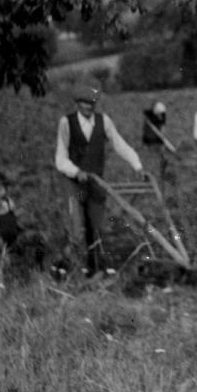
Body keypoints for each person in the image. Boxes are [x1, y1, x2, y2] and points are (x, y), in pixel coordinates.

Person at [55, 81, 144, 278]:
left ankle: (94, 268)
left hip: (95, 182)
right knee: (77, 229)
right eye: (84, 103)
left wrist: (137, 165)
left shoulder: (104, 121)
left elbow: (120, 145)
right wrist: (76, 171)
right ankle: (64, 268)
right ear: (77, 103)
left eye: (92, 103)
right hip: (73, 183)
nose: (88, 107)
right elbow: (60, 158)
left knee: (96, 227)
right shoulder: (66, 123)